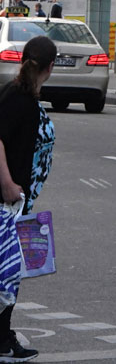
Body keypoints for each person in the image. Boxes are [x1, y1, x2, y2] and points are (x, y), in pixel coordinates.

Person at [0, 35, 57, 361]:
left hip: (16, 201)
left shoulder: (23, 95)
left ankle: (3, 338)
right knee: (6, 274)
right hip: (5, 199)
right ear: (49, 67)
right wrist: (7, 182)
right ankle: (3, 340)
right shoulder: (16, 98)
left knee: (10, 274)